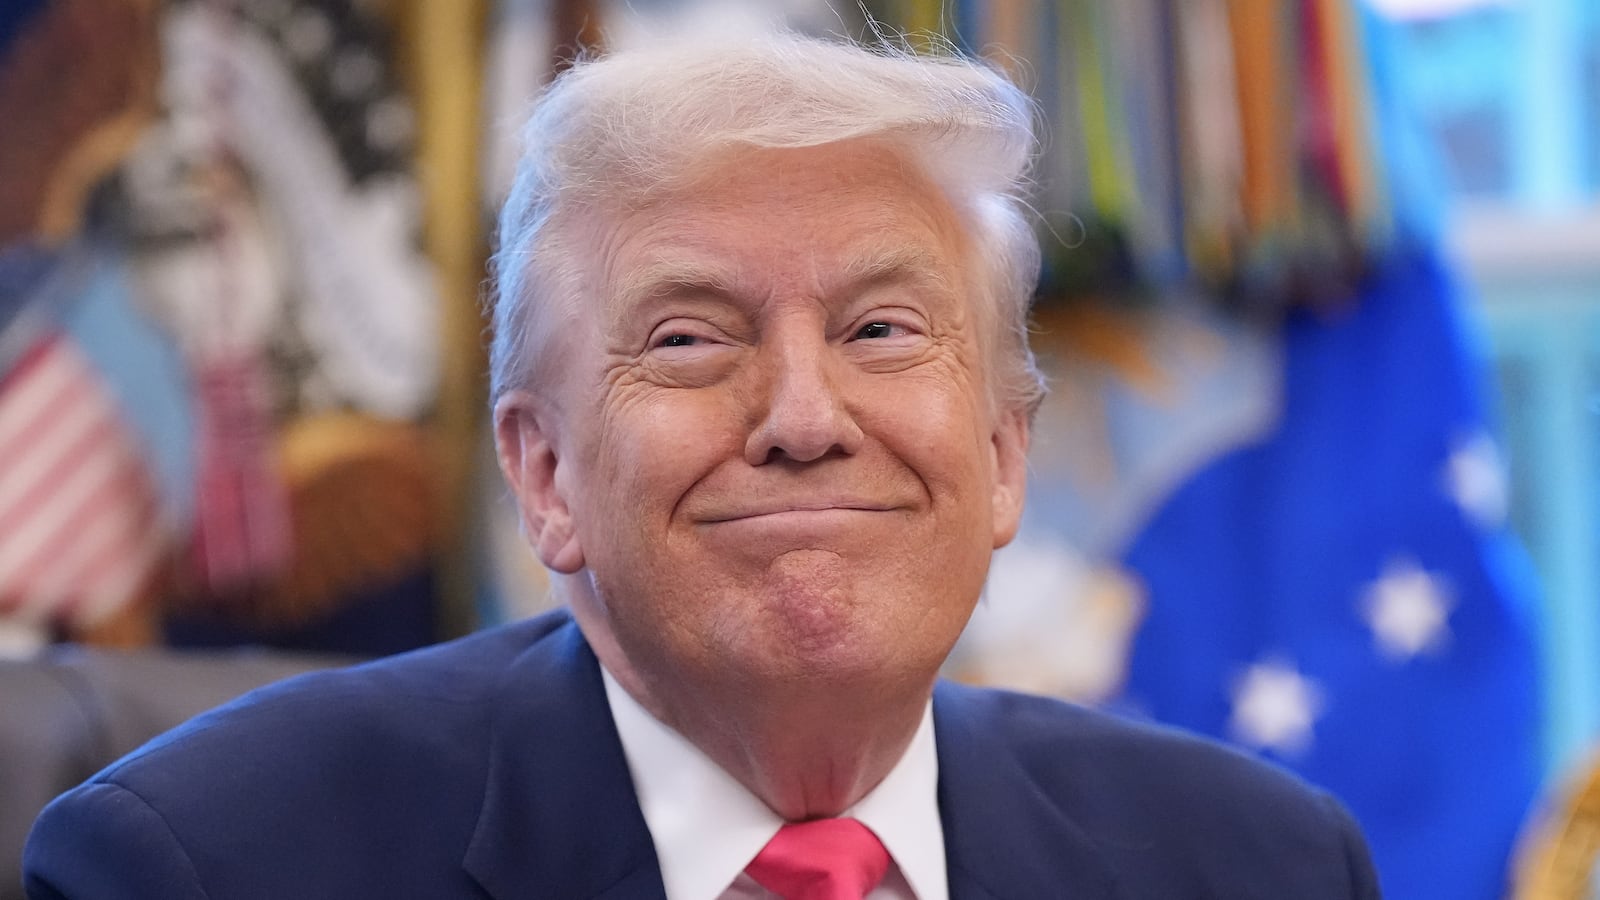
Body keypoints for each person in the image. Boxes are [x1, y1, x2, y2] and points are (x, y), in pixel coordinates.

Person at [24, 32, 1381, 900]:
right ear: (545, 473)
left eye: (880, 330)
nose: (803, 412)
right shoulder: (203, 867)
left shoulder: (1259, 866)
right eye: (688, 338)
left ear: (1003, 453)